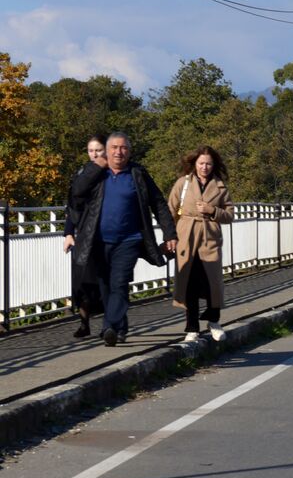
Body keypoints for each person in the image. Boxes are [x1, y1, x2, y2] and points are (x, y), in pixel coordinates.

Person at [70, 132, 178, 346]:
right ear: (106, 151)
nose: (119, 152)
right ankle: (119, 328)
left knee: (119, 282)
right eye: (114, 148)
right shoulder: (96, 173)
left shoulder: (137, 173)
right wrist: (97, 167)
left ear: (129, 151)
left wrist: (170, 234)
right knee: (105, 285)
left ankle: (109, 326)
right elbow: (77, 192)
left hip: (129, 239)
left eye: (123, 148)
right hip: (98, 241)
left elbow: (158, 203)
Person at [169, 146, 234, 343]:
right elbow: (170, 210)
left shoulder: (220, 186)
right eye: (201, 163)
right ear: (194, 164)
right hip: (186, 237)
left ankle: (214, 320)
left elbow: (229, 215)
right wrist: (170, 236)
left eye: (208, 164)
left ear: (214, 165)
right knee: (189, 282)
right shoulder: (183, 183)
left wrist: (212, 210)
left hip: (209, 237)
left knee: (212, 281)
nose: (204, 167)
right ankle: (192, 328)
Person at [63, 135, 107, 338]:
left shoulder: (111, 174)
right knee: (82, 281)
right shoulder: (82, 174)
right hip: (84, 234)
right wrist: (68, 233)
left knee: (105, 282)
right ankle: (84, 323)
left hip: (105, 233)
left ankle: (109, 325)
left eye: (98, 150)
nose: (94, 154)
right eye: (91, 150)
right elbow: (73, 206)